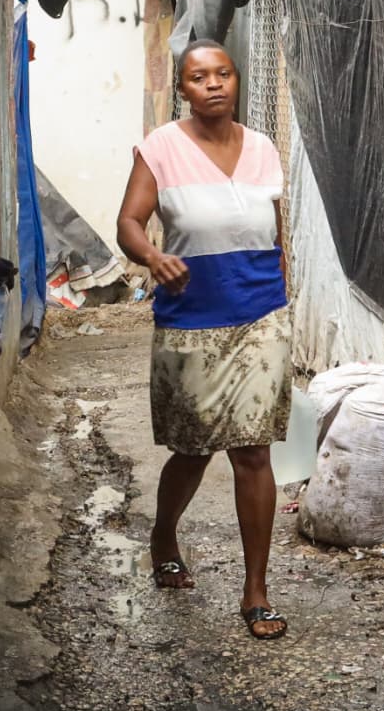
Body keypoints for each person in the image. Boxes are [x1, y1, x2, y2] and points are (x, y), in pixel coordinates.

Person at [115, 40, 294, 639]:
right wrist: (152, 257)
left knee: (253, 451)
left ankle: (256, 591)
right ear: (183, 88)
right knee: (194, 448)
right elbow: (129, 223)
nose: (213, 84)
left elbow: (276, 232)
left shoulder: (265, 149)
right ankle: (164, 533)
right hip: (191, 317)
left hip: (260, 317)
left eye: (223, 73)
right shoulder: (160, 149)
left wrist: (284, 297)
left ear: (236, 80)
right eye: (198, 77)